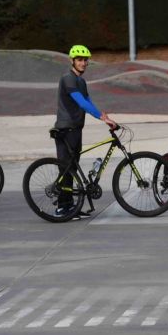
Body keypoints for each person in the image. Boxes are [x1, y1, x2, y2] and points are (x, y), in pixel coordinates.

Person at [52, 45, 118, 220]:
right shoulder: (68, 78)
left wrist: (103, 115)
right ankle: (61, 207)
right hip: (66, 128)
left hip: (76, 128)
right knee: (66, 168)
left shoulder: (81, 81)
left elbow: (88, 100)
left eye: (85, 60)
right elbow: (81, 102)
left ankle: (70, 206)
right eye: (79, 59)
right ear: (72, 61)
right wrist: (102, 118)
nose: (83, 63)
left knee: (72, 167)